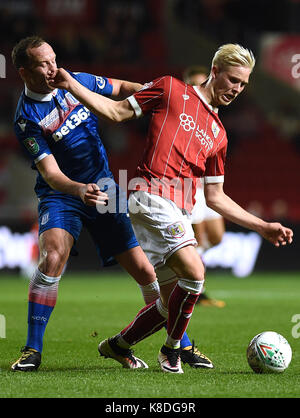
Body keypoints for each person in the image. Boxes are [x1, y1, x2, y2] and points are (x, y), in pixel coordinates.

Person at [48, 44, 293, 374]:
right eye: (233, 80)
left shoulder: (219, 134)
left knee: (168, 305)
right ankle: (171, 350)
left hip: (180, 212)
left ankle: (118, 345)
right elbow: (117, 112)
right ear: (215, 71)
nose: (237, 89)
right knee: (195, 274)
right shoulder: (170, 88)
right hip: (151, 196)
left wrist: (262, 225)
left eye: (244, 85)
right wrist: (71, 85)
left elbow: (216, 197)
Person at [10, 36, 207, 372]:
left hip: (105, 190)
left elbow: (118, 88)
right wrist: (77, 189)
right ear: (23, 72)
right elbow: (51, 173)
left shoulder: (74, 80)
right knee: (52, 256)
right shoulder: (26, 117)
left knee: (147, 273)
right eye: (42, 63)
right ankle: (32, 350)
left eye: (53, 59)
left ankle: (181, 346)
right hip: (62, 195)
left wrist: (153, 93)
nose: (52, 68)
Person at [183, 65, 226, 308]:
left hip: (207, 185)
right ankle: (197, 289)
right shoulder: (184, 116)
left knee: (217, 237)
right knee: (197, 240)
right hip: (190, 187)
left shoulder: (213, 114)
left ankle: (188, 265)